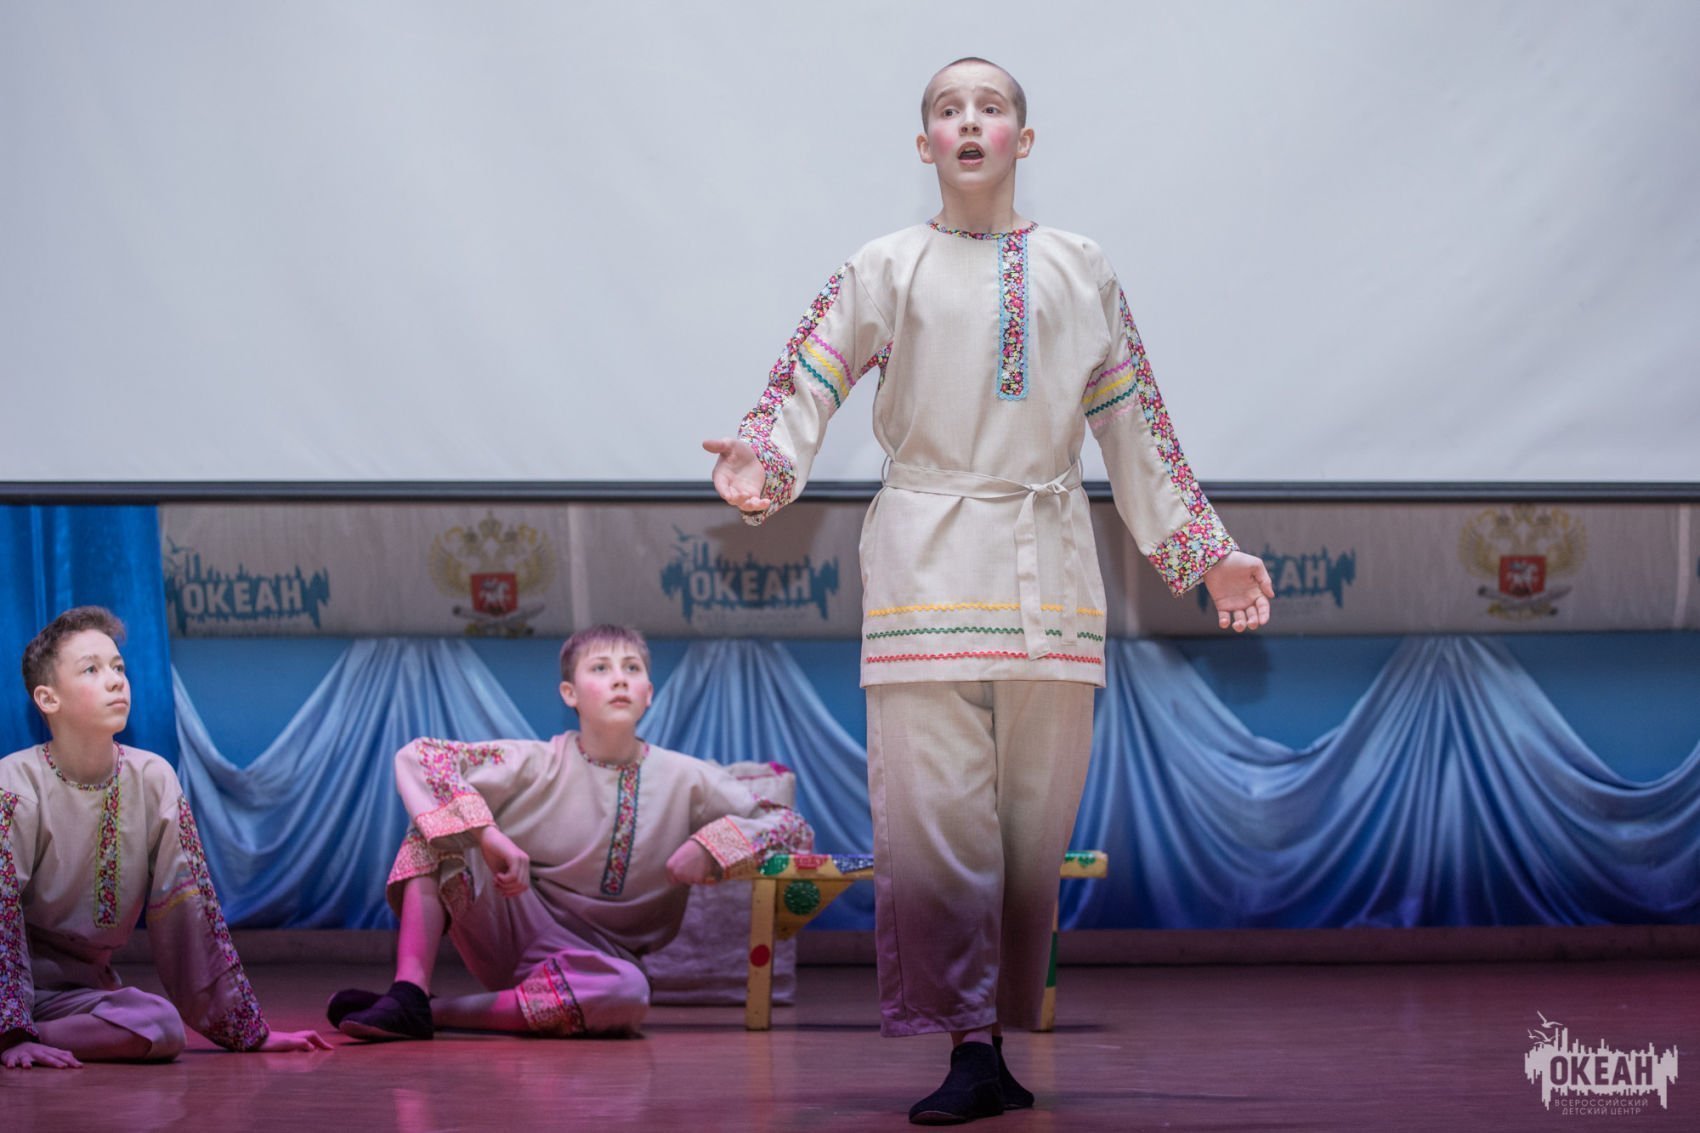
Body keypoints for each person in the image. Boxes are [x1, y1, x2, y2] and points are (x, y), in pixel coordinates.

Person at [704, 58, 1274, 1124]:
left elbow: (1135, 424)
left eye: (991, 107)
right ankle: (967, 1043)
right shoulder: (884, 265)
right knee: (938, 822)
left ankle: (996, 1033)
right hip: (923, 566)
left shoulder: (1080, 266)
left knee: (1028, 827)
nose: (969, 122)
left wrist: (1208, 553)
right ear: (924, 143)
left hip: (1050, 567)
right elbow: (805, 379)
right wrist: (764, 463)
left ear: (1024, 137)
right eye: (947, 109)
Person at [330, 624, 813, 1041]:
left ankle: (431, 1012)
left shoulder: (688, 778)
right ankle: (408, 989)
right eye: (600, 668)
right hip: (512, 921)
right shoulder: (537, 763)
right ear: (570, 693)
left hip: (599, 965)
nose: (619, 678)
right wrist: (489, 837)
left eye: (632, 669)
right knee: (437, 823)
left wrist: (712, 847)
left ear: (648, 693)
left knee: (628, 994)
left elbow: (787, 822)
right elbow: (422, 757)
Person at [0, 606, 329, 1069]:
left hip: (79, 995)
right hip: (10, 989)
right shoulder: (15, 782)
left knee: (161, 1025)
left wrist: (249, 1033)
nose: (115, 681)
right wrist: (10, 1028)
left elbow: (192, 910)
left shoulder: (153, 779)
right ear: (48, 699)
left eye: (118, 668)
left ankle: (35, 1035)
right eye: (92, 669)